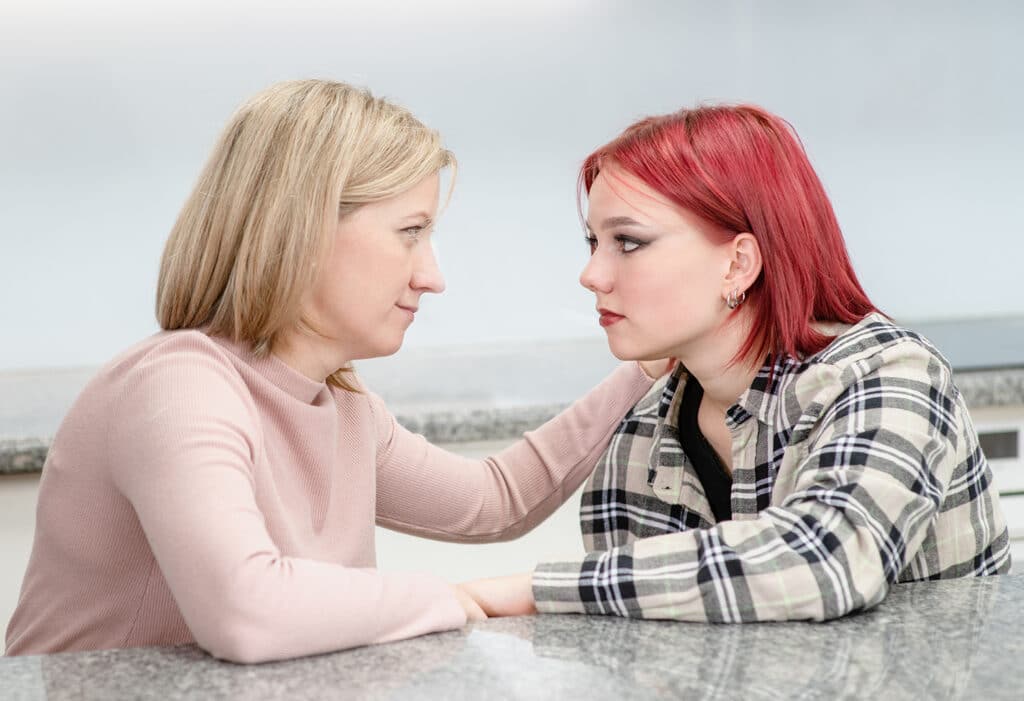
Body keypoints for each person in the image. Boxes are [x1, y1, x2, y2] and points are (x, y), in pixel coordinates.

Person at [4, 79, 662, 663]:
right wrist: (446, 598)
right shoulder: (178, 385)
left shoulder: (344, 407)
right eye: (410, 231)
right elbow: (248, 610)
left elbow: (493, 500)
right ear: (303, 228)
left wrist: (646, 368)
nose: (432, 276)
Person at [458, 104, 1011, 622]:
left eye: (627, 242)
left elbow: (826, 558)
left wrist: (535, 590)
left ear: (739, 263)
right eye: (593, 242)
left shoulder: (888, 377)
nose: (591, 275)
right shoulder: (639, 440)